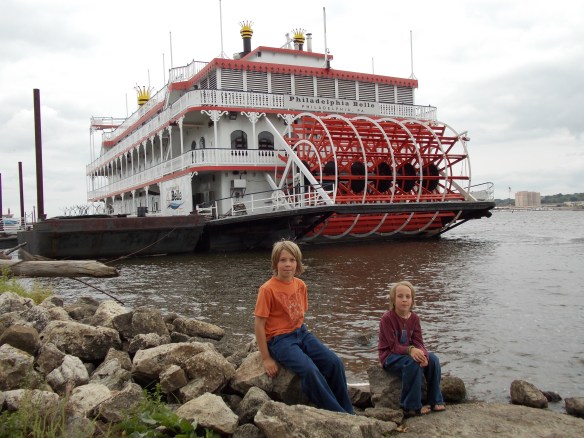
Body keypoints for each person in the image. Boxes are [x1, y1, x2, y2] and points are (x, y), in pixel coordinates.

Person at [254, 239, 354, 414]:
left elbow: (298, 315)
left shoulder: (301, 285)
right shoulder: (267, 289)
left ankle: (348, 410)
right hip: (280, 341)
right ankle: (337, 413)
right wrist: (266, 358)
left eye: (292, 260)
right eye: (283, 260)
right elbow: (259, 324)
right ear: (275, 263)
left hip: (301, 333)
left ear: (298, 263)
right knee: (310, 370)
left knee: (335, 363)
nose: (288, 264)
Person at [377, 280, 445, 417]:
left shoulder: (414, 318)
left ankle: (435, 399)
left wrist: (423, 355)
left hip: (408, 352)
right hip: (390, 355)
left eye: (408, 297)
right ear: (393, 299)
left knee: (433, 360)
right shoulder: (387, 319)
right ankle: (411, 407)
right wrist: (411, 351)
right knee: (413, 364)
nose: (404, 300)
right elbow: (393, 346)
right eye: (400, 296)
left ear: (412, 300)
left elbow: (419, 342)